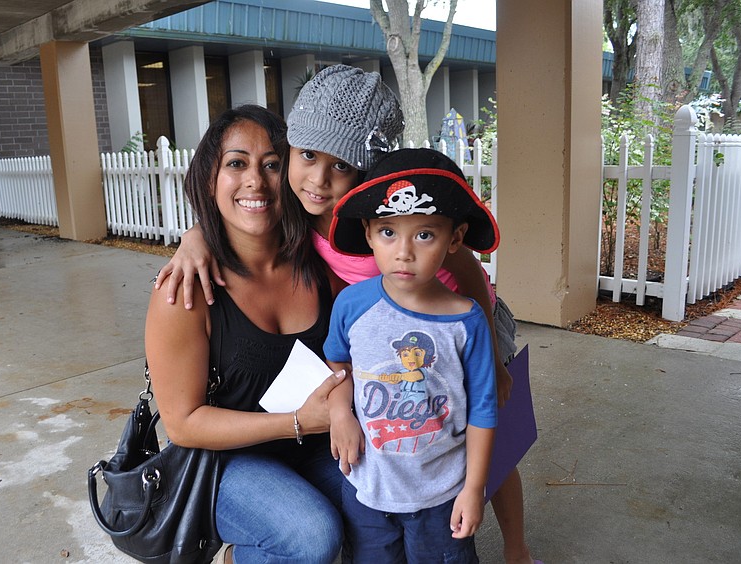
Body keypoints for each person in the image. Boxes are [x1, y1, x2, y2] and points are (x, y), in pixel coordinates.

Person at [156, 65, 538, 564]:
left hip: (462, 320)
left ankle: (516, 549)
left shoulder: (367, 214)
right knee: (365, 485)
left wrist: (488, 341)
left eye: (339, 165)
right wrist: (195, 237)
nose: (317, 178)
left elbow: (464, 266)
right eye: (307, 156)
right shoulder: (286, 224)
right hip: (368, 349)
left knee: (481, 435)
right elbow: (239, 218)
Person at [144, 104, 350, 564]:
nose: (255, 181)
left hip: (317, 443)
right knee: (311, 535)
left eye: (272, 165)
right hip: (225, 464)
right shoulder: (184, 290)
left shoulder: (321, 268)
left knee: (388, 493)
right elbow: (182, 423)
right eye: (236, 164)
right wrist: (298, 421)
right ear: (210, 179)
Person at [323, 147, 498, 562]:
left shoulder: (467, 322)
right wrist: (339, 412)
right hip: (368, 489)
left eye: (424, 234)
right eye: (388, 232)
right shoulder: (351, 305)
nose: (404, 251)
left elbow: (483, 411)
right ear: (367, 233)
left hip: (440, 494)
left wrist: (474, 489)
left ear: (455, 238)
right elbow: (338, 363)